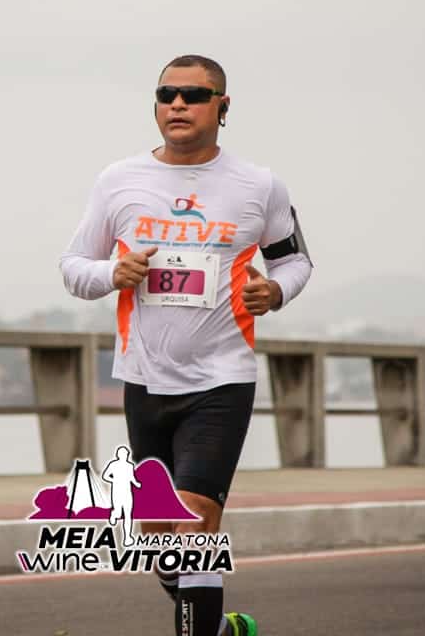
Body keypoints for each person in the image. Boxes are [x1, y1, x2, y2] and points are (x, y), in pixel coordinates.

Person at [60, 54, 313, 636]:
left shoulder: (259, 185)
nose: (177, 104)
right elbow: (73, 266)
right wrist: (111, 275)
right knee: (155, 541)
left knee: (195, 525)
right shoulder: (118, 180)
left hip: (222, 379)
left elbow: (295, 260)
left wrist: (274, 292)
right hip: (144, 379)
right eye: (166, 93)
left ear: (223, 108)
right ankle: (219, 628)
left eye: (194, 96)